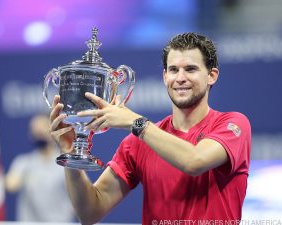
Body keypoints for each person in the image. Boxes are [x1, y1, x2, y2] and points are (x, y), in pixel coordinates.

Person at [49, 33, 251, 225]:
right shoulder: (139, 142)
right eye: (173, 70)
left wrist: (136, 123)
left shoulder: (233, 124)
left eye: (190, 69)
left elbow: (194, 161)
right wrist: (71, 155)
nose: (180, 78)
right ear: (164, 76)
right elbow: (90, 213)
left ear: (211, 76)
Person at [5, 114, 75, 222]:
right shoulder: (23, 162)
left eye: (42, 127)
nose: (38, 132)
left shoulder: (66, 162)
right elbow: (11, 185)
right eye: (34, 129)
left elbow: (79, 196)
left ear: (53, 130)